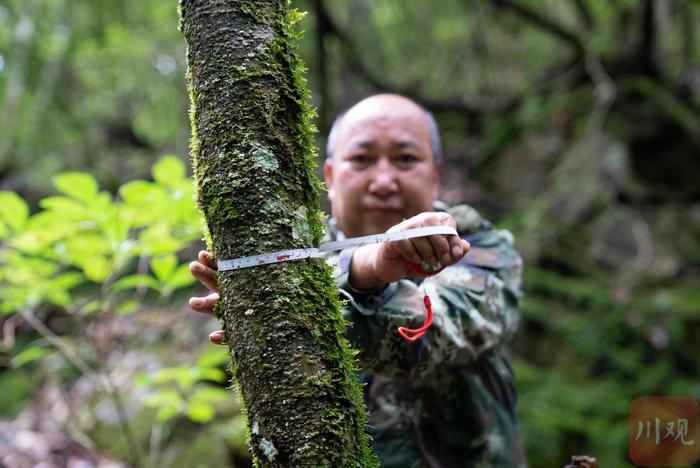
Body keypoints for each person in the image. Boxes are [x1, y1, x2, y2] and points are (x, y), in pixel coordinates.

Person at [188, 94, 527, 467]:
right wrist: (257, 310)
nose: (383, 182)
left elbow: (438, 332)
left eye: (406, 159)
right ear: (330, 177)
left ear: (435, 176)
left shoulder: (478, 247)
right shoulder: (294, 262)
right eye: (362, 159)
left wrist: (368, 272)